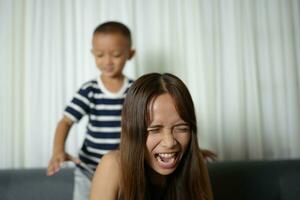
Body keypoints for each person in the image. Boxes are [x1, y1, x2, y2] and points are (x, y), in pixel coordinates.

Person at [47, 21, 135, 200]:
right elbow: (66, 121)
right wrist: (58, 150)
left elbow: (155, 123)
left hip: (124, 170)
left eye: (116, 55)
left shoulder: (135, 90)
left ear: (130, 54)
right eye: (100, 55)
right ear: (92, 54)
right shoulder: (90, 90)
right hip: (88, 169)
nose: (107, 61)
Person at [90, 73, 214, 200]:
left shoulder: (195, 162)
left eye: (182, 128)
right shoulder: (112, 166)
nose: (169, 142)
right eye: (154, 130)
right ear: (133, 131)